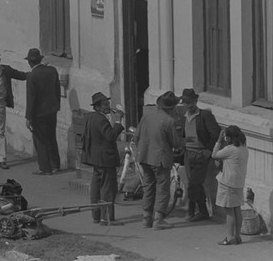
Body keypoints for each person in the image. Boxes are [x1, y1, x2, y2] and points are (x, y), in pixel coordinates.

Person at [135, 91, 182, 230]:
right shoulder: (169, 121)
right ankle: (158, 220)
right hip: (160, 159)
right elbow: (176, 143)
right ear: (172, 108)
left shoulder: (146, 117)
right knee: (162, 189)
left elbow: (137, 136)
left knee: (148, 187)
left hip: (144, 157)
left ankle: (146, 218)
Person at [81, 92, 125, 225]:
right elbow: (111, 136)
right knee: (107, 189)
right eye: (105, 105)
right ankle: (106, 218)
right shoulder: (101, 119)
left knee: (96, 188)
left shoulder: (90, 117)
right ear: (98, 107)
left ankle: (96, 216)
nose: (108, 107)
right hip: (105, 158)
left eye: (108, 104)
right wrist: (118, 121)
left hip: (95, 158)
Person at [179, 88, 221, 222]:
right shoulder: (183, 117)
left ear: (196, 101)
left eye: (191, 102)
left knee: (194, 184)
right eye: (186, 103)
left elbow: (215, 132)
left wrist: (208, 149)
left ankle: (202, 211)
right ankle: (192, 211)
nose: (189, 105)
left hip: (201, 154)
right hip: (188, 153)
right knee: (192, 184)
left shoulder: (204, 116)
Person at [24, 48, 61, 175]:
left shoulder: (32, 75)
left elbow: (31, 98)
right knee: (51, 137)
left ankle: (45, 168)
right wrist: (57, 106)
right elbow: (57, 90)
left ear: (30, 62)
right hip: (52, 110)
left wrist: (28, 117)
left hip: (38, 113)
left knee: (40, 140)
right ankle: (55, 165)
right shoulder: (52, 71)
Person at [212, 125, 249, 245]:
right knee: (237, 209)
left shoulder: (230, 149)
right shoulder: (244, 149)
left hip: (227, 182)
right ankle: (237, 236)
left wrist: (218, 141)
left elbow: (215, 155)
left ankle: (229, 237)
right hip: (239, 183)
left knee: (229, 211)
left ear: (229, 137)